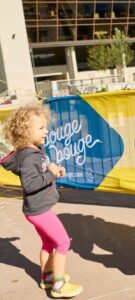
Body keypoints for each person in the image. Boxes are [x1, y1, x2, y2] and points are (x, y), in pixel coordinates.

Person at [0, 103, 83, 298]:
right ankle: (59, 285)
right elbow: (30, 185)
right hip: (39, 210)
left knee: (48, 243)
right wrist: (52, 174)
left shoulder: (32, 152)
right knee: (63, 243)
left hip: (37, 209)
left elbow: (39, 174)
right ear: (25, 132)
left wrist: (52, 170)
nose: (46, 131)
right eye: (41, 128)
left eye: (46, 126)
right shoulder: (29, 157)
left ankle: (47, 277)